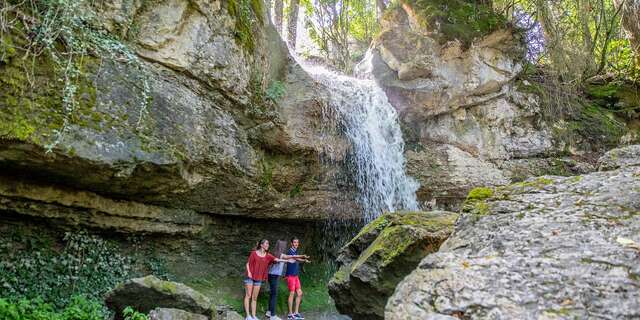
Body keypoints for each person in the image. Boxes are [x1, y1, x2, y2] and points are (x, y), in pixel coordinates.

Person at [243, 239, 306, 320]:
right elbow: (248, 263)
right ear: (261, 245)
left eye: (268, 244)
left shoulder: (268, 255)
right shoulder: (254, 253)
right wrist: (249, 272)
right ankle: (248, 316)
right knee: (249, 296)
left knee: (255, 297)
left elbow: (277, 259)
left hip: (259, 278)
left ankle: (254, 316)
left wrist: (287, 261)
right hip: (251, 277)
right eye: (266, 243)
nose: (268, 245)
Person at [266, 240, 308, 320]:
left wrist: (303, 260)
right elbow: (289, 257)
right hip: (277, 276)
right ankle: (283, 315)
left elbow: (289, 258)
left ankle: (270, 311)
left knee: (273, 294)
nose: (284, 247)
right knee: (275, 294)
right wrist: (302, 256)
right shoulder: (282, 253)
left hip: (279, 275)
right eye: (283, 246)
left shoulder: (279, 254)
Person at [285, 237, 310, 320]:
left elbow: (296, 258)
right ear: (291, 243)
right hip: (290, 276)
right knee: (292, 293)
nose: (296, 244)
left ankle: (296, 313)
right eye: (294, 242)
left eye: (297, 242)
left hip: (295, 276)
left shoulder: (295, 251)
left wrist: (304, 260)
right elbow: (295, 257)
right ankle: (290, 314)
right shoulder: (290, 251)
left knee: (299, 293)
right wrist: (303, 259)